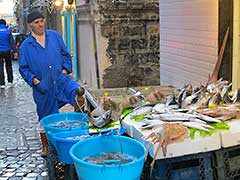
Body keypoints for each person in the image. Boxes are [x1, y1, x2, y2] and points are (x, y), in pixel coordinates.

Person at [19, 10, 85, 157]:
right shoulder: (26, 46)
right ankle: (46, 145)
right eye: (37, 22)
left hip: (61, 81)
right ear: (30, 25)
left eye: (42, 21)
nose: (41, 24)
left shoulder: (54, 36)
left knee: (78, 93)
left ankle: (79, 133)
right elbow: (23, 69)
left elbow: (66, 55)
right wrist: (36, 82)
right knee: (45, 117)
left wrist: (65, 71)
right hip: (43, 87)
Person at [0, 19, 17, 88]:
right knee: (9, 66)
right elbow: (12, 42)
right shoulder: (8, 31)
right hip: (7, 51)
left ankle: (2, 83)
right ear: (5, 24)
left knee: (0, 67)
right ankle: (10, 81)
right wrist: (15, 51)